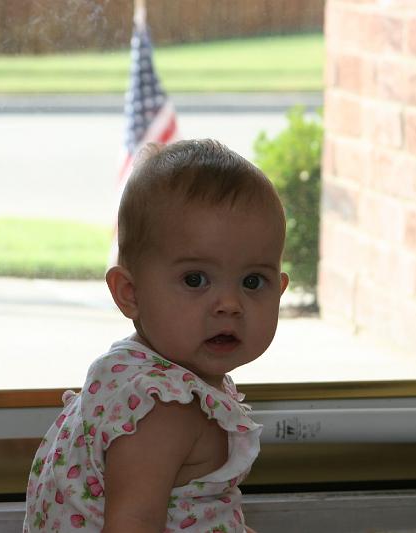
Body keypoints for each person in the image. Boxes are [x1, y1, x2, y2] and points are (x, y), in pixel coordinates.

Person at [23, 139, 289, 533]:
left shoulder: (132, 370)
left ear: (280, 290)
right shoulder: (165, 408)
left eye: (253, 281)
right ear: (130, 293)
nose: (229, 304)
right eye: (195, 279)